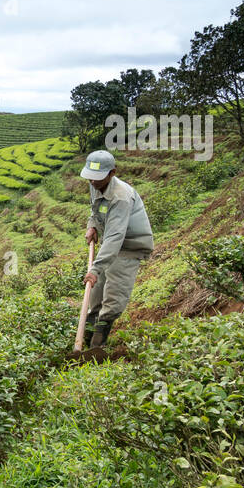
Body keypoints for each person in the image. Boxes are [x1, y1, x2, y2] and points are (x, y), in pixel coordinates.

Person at [80, 149, 154, 349]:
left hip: (129, 246)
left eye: (97, 178)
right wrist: (92, 224)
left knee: (113, 296)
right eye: (90, 177)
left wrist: (94, 270)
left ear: (112, 173)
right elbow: (95, 210)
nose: (92, 182)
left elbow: (115, 237)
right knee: (95, 295)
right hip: (110, 245)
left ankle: (97, 345)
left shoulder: (121, 197)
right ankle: (85, 338)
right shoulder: (95, 184)